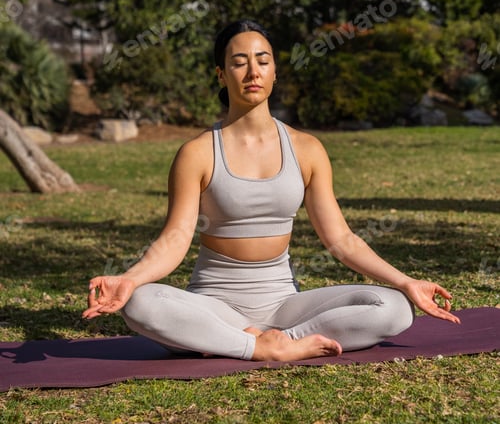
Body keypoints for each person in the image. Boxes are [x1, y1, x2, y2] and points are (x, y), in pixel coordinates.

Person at [83, 20, 460, 360]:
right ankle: (254, 345)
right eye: (239, 62)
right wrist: (130, 278)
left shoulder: (307, 149)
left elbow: (341, 239)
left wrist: (405, 281)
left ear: (275, 72)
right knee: (142, 303)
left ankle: (272, 341)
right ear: (221, 74)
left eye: (262, 60)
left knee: (393, 308)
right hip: (214, 305)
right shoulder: (196, 153)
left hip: (284, 304)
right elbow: (176, 238)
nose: (252, 71)